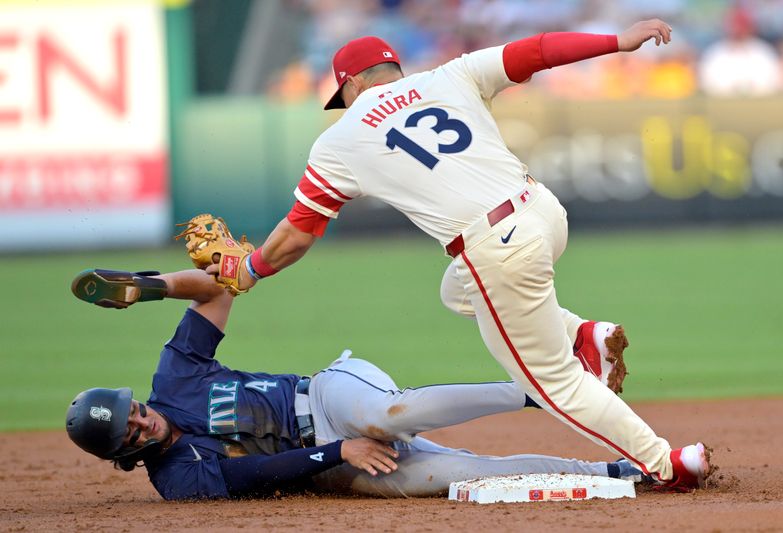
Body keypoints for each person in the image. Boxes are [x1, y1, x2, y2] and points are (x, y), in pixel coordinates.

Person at [201, 19, 712, 490]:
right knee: (457, 288)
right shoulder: (452, 74)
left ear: (351, 84)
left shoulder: (340, 140)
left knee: (553, 382)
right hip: (543, 211)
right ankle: (581, 332)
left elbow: (297, 233)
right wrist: (615, 42)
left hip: (497, 246)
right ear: (393, 70)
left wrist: (249, 269)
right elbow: (534, 51)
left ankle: (667, 463)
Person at [66, 268, 644, 501]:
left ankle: (544, 387)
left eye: (134, 408)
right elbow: (254, 473)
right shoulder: (178, 481)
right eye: (131, 428)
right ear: (122, 451)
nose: (143, 418)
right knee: (454, 478)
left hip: (329, 394)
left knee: (388, 415)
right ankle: (612, 474)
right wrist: (338, 453)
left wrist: (150, 285)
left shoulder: (175, 375)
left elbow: (214, 292)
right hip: (334, 465)